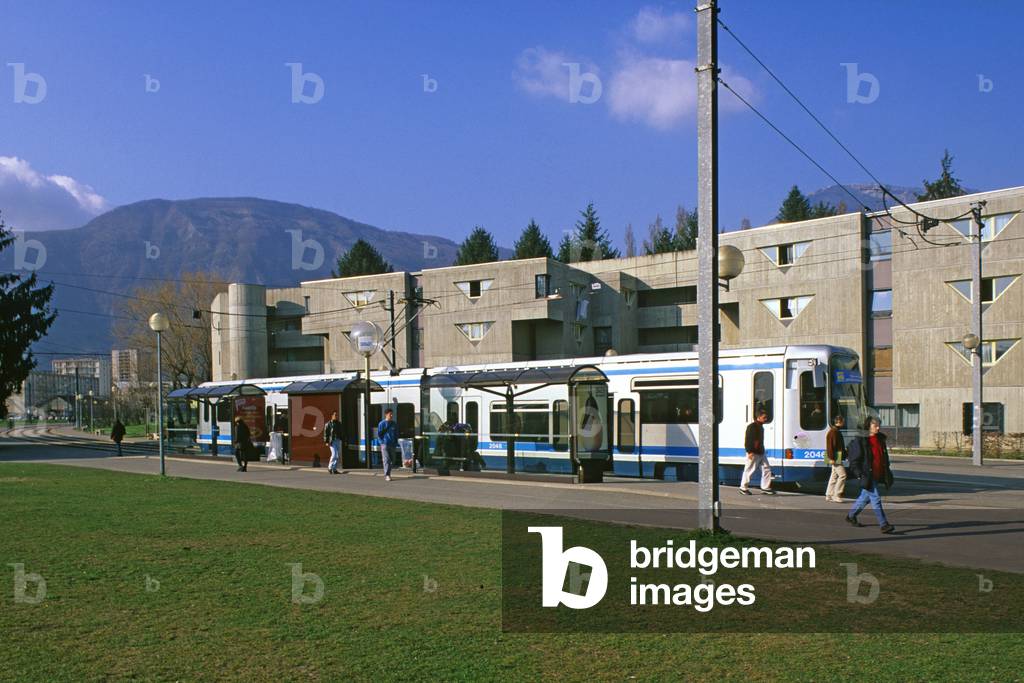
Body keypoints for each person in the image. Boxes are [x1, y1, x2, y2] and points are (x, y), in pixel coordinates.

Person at [845, 416, 895, 534]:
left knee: (864, 498)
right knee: (876, 498)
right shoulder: (861, 440)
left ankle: (851, 516)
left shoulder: (880, 440)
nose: (878, 428)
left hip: (877, 473)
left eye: (879, 425)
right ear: (868, 426)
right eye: (875, 426)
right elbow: (854, 461)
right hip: (867, 475)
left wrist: (887, 471)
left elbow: (883, 457)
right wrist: (859, 474)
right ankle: (884, 524)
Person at [740, 409, 775, 495]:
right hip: (754, 452)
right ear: (758, 417)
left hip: (760, 451)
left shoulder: (759, 426)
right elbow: (748, 440)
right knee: (749, 470)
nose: (765, 419)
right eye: (764, 417)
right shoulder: (752, 427)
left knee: (766, 468)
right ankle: (743, 488)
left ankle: (765, 487)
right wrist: (750, 451)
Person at [824, 414, 848, 503]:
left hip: (834, 456)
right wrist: (832, 458)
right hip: (835, 456)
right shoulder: (834, 432)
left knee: (834, 475)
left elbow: (830, 446)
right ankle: (836, 494)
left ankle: (829, 494)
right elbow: (831, 446)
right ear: (840, 422)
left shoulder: (833, 431)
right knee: (842, 475)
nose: (844, 423)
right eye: (843, 421)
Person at [377, 408, 397, 482]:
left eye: (392, 414)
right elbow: (379, 434)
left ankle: (388, 473)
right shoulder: (381, 424)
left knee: (393, 460)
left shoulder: (394, 424)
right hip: (385, 444)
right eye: (390, 414)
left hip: (392, 444)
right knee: (387, 460)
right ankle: (387, 475)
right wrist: (382, 442)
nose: (391, 415)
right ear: (386, 414)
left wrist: (395, 442)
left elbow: (396, 434)